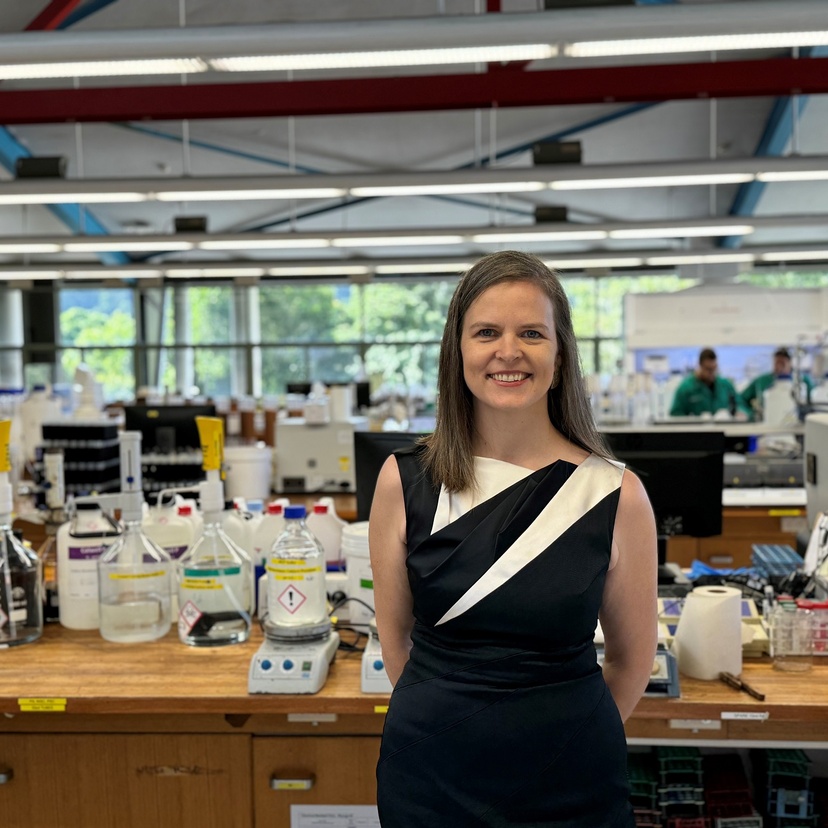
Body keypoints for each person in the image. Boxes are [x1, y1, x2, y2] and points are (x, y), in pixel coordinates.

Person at [369, 250, 658, 827]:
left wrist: (562, 741)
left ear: (560, 350)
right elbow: (396, 644)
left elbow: (631, 661)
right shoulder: (404, 482)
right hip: (430, 776)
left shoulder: (616, 495)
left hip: (571, 780)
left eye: (532, 332)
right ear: (459, 350)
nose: (509, 351)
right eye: (486, 332)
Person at [739, 346, 813, 421]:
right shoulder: (762, 381)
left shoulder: (802, 381)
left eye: (782, 363)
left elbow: (813, 401)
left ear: (790, 363)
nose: (779, 367)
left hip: (796, 422)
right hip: (766, 420)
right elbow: (741, 399)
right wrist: (749, 413)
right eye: (776, 363)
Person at [669, 347, 746, 418]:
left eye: (714, 368)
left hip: (723, 430)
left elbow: (740, 404)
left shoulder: (725, 385)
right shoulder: (686, 388)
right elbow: (676, 414)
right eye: (708, 369)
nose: (711, 373)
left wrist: (740, 413)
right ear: (700, 366)